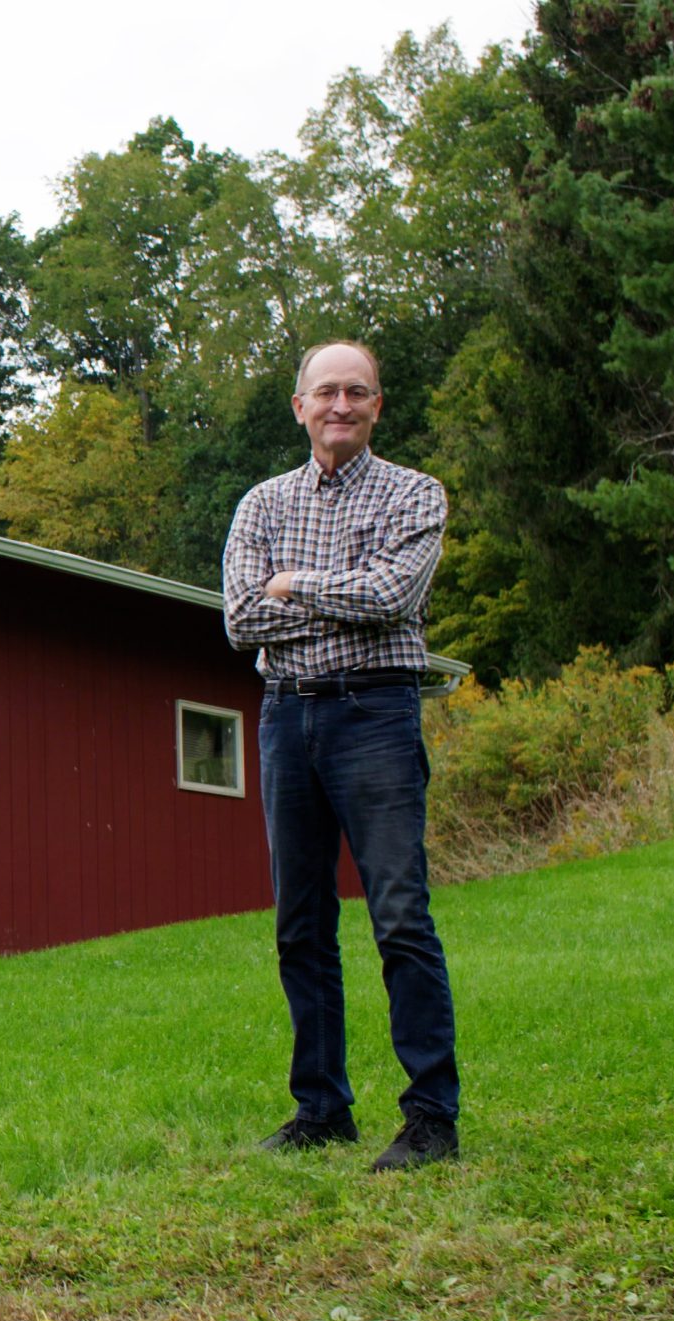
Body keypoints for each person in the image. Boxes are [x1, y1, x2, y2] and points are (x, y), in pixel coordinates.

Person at [221, 339, 459, 1172]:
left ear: (377, 407)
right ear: (300, 406)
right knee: (301, 923)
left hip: (376, 716)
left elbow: (394, 598)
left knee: (399, 915)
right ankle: (321, 1110)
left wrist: (294, 584)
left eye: (358, 393)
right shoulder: (261, 504)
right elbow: (242, 621)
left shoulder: (413, 494)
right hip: (288, 718)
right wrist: (335, 592)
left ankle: (431, 1119)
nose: (341, 406)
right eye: (326, 392)